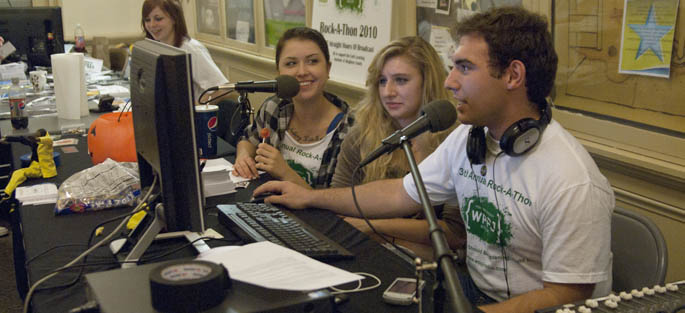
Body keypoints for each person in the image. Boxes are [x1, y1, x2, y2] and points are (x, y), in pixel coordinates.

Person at [253, 7, 614, 312]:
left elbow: (568, 294)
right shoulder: (470, 138)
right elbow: (399, 194)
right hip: (470, 289)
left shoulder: (572, 179)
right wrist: (310, 196)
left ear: (513, 75)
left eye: (465, 68)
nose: (450, 82)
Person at [331, 36, 463, 261]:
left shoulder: (454, 139)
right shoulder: (361, 134)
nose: (388, 92)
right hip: (367, 251)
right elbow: (339, 201)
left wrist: (373, 227)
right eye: (382, 81)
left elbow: (454, 233)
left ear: (427, 83)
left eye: (401, 80)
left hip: (435, 263)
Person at [233, 27, 354, 189]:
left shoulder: (351, 129)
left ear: (328, 69)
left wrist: (285, 173)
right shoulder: (274, 107)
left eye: (312, 61)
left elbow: (338, 205)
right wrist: (243, 157)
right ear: (279, 73)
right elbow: (248, 139)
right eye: (291, 63)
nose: (302, 72)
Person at [141, 0, 228, 103]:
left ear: (174, 19)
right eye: (147, 20)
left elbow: (224, 89)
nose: (152, 25)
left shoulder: (192, 49)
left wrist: (195, 107)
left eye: (158, 19)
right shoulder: (159, 47)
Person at [2, 129, 57, 198]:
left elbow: (47, 140)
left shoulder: (47, 142)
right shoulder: (34, 143)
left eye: (38, 134)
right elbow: (22, 139)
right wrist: (8, 138)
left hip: (41, 169)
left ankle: (7, 193)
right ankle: (8, 192)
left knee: (18, 173)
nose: (36, 135)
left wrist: (37, 139)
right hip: (34, 165)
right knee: (17, 173)